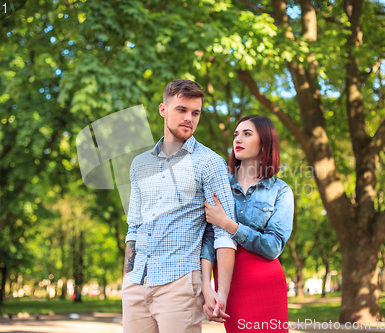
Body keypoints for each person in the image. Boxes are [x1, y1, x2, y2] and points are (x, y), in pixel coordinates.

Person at [122, 79, 237, 333]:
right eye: (182, 110)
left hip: (180, 284)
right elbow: (134, 228)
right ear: (163, 109)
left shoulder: (209, 163)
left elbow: (224, 232)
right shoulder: (139, 164)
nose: (189, 118)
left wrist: (220, 291)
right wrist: (127, 280)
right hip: (136, 283)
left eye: (195, 113)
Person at [201, 115, 294, 332]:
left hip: (267, 281)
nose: (237, 140)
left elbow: (273, 247)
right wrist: (208, 285)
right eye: (236, 135)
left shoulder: (280, 191)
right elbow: (207, 238)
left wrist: (229, 224)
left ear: (265, 143)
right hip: (230, 281)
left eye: (246, 134)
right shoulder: (220, 184)